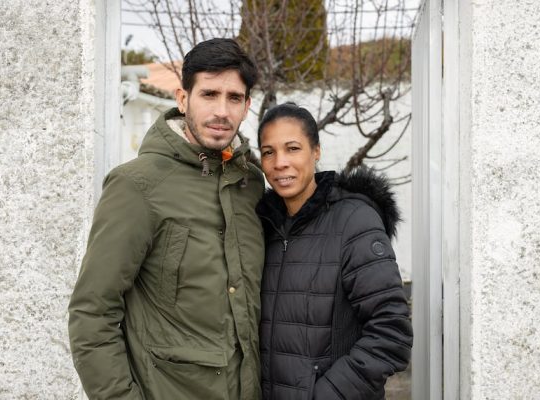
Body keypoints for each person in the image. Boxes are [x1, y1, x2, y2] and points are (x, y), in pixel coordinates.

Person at [68, 38, 265, 400]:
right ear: (183, 98)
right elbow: (92, 312)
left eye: (234, 98)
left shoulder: (250, 183)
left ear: (247, 105)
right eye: (209, 94)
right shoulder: (136, 185)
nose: (222, 110)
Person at [255, 103, 413, 399]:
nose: (280, 163)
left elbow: (391, 333)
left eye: (292, 148)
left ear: (316, 151)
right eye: (268, 152)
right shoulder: (262, 228)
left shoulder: (354, 221)